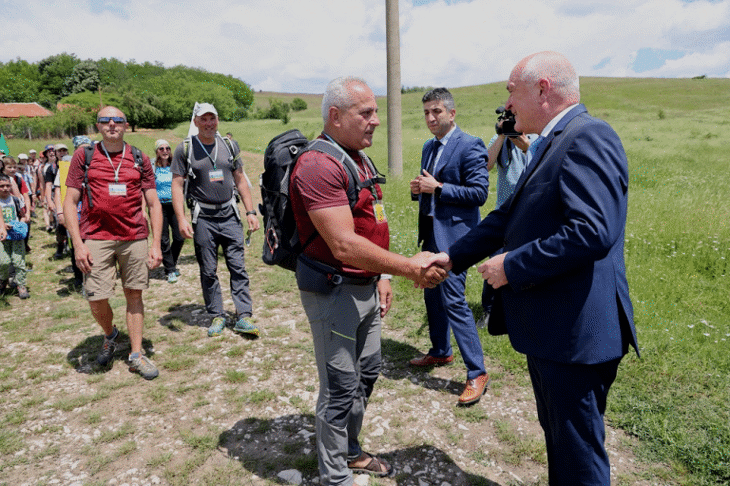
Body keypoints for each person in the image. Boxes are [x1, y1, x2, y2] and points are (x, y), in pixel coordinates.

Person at [426, 51, 639, 485]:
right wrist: (453, 258)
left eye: (510, 91)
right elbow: (508, 216)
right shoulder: (552, 141)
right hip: (555, 329)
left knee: (579, 456)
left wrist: (513, 266)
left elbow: (593, 231)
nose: (506, 105)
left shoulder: (587, 136)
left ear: (542, 89)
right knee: (561, 443)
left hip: (577, 335)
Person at [290, 76, 447, 485]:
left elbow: (369, 223)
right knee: (340, 386)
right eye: (367, 113)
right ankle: (335, 475)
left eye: (376, 111)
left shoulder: (357, 156)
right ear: (336, 116)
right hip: (333, 291)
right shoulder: (318, 164)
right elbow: (343, 244)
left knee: (369, 370)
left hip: (365, 286)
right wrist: (410, 267)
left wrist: (381, 276)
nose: (376, 121)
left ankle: (351, 450)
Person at [63, 106, 163, 380]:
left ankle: (136, 354)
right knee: (96, 298)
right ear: (98, 126)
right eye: (105, 120)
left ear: (126, 125)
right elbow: (70, 203)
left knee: (134, 294)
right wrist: (78, 244)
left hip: (134, 237)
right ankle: (111, 334)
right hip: (95, 237)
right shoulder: (84, 156)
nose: (111, 124)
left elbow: (154, 204)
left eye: (117, 120)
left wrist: (156, 245)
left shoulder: (139, 158)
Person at [408, 87, 490, 406]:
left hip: (456, 240)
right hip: (431, 234)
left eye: (436, 111)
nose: (430, 117)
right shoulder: (429, 147)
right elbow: (429, 189)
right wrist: (419, 191)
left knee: (453, 299)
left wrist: (438, 188)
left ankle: (477, 372)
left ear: (451, 114)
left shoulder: (470, 145)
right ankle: (441, 351)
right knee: (432, 295)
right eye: (426, 112)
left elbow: (479, 194)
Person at [171, 103, 260, 337]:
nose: (209, 123)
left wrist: (250, 212)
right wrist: (181, 219)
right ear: (196, 121)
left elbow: (240, 179)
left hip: (230, 216)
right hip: (204, 219)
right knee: (208, 270)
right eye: (204, 119)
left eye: (213, 118)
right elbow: (177, 185)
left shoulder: (229, 145)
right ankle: (217, 315)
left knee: (238, 267)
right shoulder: (184, 149)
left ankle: (244, 316)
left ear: (217, 120)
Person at [476, 120, 535, 329]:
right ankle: (489, 312)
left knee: (524, 263)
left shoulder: (537, 137)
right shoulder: (499, 140)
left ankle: (521, 312)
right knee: (495, 260)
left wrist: (525, 145)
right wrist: (501, 135)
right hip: (505, 212)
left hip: (530, 212)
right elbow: (486, 165)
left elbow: (542, 161)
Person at [54, 136, 92, 290]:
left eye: (87, 147)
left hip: (92, 212)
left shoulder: (95, 164)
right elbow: (58, 191)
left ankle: (93, 279)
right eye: (81, 148)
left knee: (92, 244)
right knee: (76, 244)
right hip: (73, 211)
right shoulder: (66, 167)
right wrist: (60, 213)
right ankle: (79, 277)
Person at [153, 139, 184, 283]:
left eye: (167, 148)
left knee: (179, 237)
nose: (165, 151)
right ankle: (170, 269)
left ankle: (170, 261)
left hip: (175, 205)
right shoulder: (153, 169)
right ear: (157, 152)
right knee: (164, 239)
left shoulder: (175, 166)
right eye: (161, 149)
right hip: (159, 207)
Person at [0, 174, 29, 299]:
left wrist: (19, 224)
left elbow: (23, 215)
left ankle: (21, 285)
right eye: (2, 186)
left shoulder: (15, 200)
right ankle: (3, 279)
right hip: (2, 237)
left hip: (16, 235)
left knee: (18, 261)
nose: (5, 188)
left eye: (7, 185)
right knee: (3, 261)